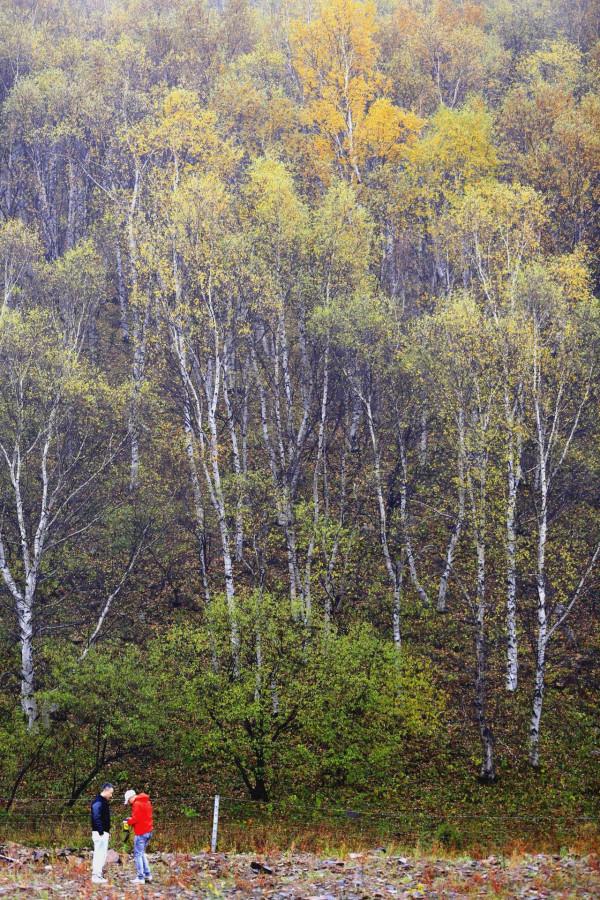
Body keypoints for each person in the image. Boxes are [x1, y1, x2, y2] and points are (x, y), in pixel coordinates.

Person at [124, 788, 154, 885]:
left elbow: (136, 819)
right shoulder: (147, 802)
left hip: (141, 833)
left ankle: (140, 877)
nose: (129, 803)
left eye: (128, 801)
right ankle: (147, 874)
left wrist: (128, 821)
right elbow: (142, 817)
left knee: (137, 854)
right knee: (142, 853)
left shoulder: (136, 804)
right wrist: (132, 819)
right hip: (148, 831)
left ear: (131, 798)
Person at [90, 782, 114, 884]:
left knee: (102, 854)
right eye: (111, 793)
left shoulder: (102, 801)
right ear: (106, 790)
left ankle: (98, 875)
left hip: (103, 832)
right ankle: (96, 876)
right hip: (100, 833)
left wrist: (107, 831)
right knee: (99, 854)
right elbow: (96, 816)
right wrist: (101, 831)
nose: (111, 795)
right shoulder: (98, 801)